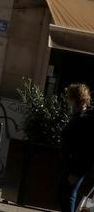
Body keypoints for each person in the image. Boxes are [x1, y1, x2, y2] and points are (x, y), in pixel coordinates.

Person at [61, 83, 94, 212]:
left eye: (69, 97)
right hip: (73, 165)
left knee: (68, 193)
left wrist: (77, 172)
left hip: (77, 166)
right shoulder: (80, 115)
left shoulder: (87, 118)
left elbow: (89, 149)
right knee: (65, 192)